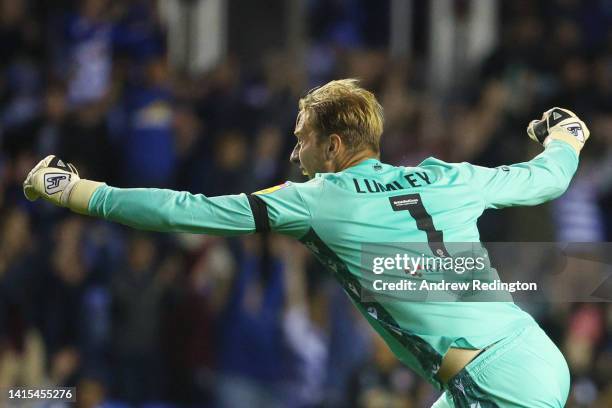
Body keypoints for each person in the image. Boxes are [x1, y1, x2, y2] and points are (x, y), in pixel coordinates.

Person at [23, 79, 590, 407]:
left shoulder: (318, 198)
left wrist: (77, 191)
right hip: (527, 356)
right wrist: (565, 134)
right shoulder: (448, 175)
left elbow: (186, 211)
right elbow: (548, 178)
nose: (296, 156)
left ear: (335, 145)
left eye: (303, 142)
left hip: (496, 381)